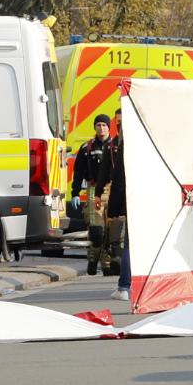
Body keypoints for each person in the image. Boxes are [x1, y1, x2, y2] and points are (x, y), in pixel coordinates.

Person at [71, 114, 112, 276]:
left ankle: (107, 265)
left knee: (111, 232)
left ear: (109, 127)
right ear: (94, 127)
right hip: (94, 190)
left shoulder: (117, 146)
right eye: (99, 125)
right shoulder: (86, 148)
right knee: (96, 231)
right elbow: (78, 172)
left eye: (104, 125)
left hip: (113, 190)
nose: (101, 128)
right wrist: (75, 193)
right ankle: (93, 260)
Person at [96, 108, 130, 301]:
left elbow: (119, 177)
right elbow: (104, 172)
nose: (119, 125)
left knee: (131, 245)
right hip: (122, 196)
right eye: (117, 121)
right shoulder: (112, 145)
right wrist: (99, 193)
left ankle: (125, 285)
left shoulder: (127, 143)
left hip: (130, 196)